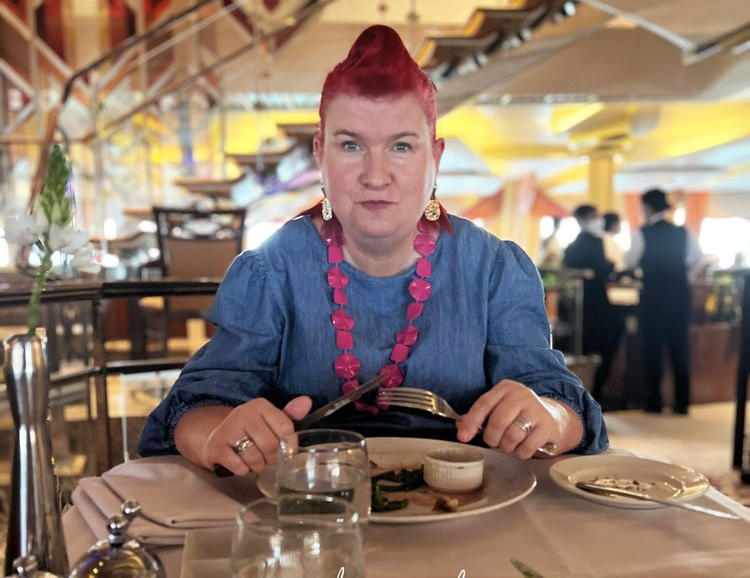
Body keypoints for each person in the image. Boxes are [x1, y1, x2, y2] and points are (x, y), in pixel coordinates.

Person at [138, 25, 608, 475]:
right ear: (320, 154)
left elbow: (558, 400)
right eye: (350, 145)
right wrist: (220, 433)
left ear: (435, 157)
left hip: (466, 513)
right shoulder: (271, 270)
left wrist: (548, 416)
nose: (376, 175)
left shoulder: (493, 269)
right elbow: (199, 402)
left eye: (401, 146)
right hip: (313, 514)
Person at [624, 188, 703, 415]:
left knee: (652, 349)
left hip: (653, 296)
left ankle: (654, 403)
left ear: (647, 207)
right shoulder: (683, 232)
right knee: (679, 349)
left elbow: (629, 262)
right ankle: (682, 404)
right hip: (679, 296)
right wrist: (683, 274)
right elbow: (699, 260)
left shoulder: (643, 233)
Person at [562, 205, 623, 404]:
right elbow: (606, 268)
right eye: (594, 216)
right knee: (606, 348)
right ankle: (598, 393)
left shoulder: (571, 248)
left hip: (580, 310)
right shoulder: (597, 242)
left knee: (585, 352)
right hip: (599, 306)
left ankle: (583, 396)